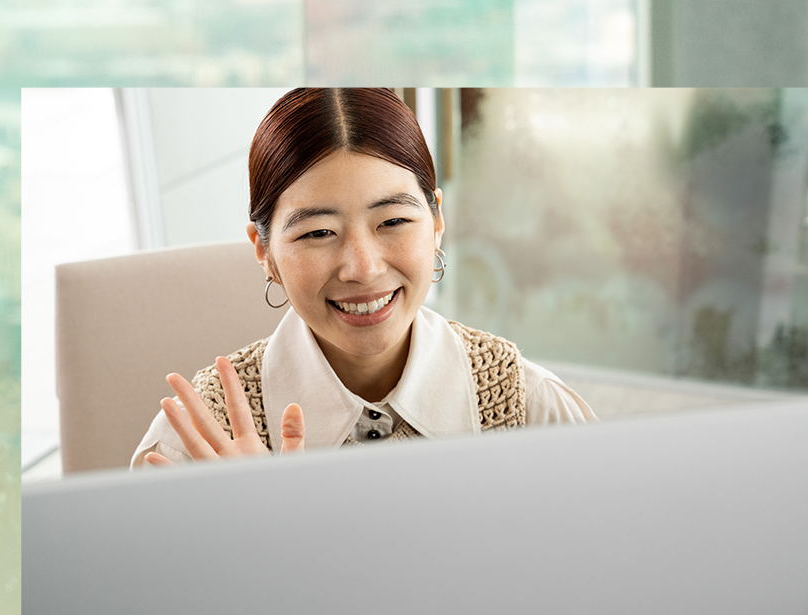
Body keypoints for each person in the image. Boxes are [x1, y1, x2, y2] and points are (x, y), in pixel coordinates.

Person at [131, 88, 596, 469]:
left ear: (436, 223)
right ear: (263, 250)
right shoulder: (199, 443)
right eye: (318, 232)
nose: (363, 268)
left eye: (392, 221)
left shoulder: (529, 409)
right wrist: (252, 531)